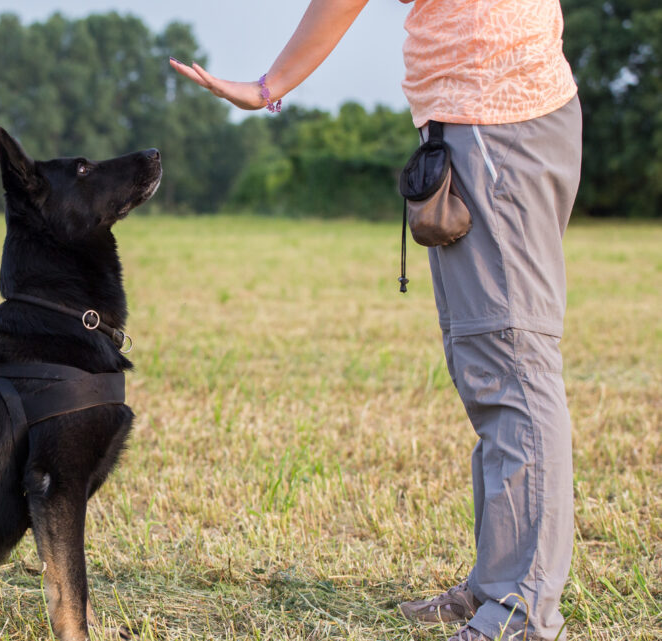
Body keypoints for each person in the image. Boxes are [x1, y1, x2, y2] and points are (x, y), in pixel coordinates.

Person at [170, 1, 581, 640]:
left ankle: (521, 613)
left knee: (512, 368)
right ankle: (495, 586)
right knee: (489, 369)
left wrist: (267, 87)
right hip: (485, 119)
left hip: (497, 121)